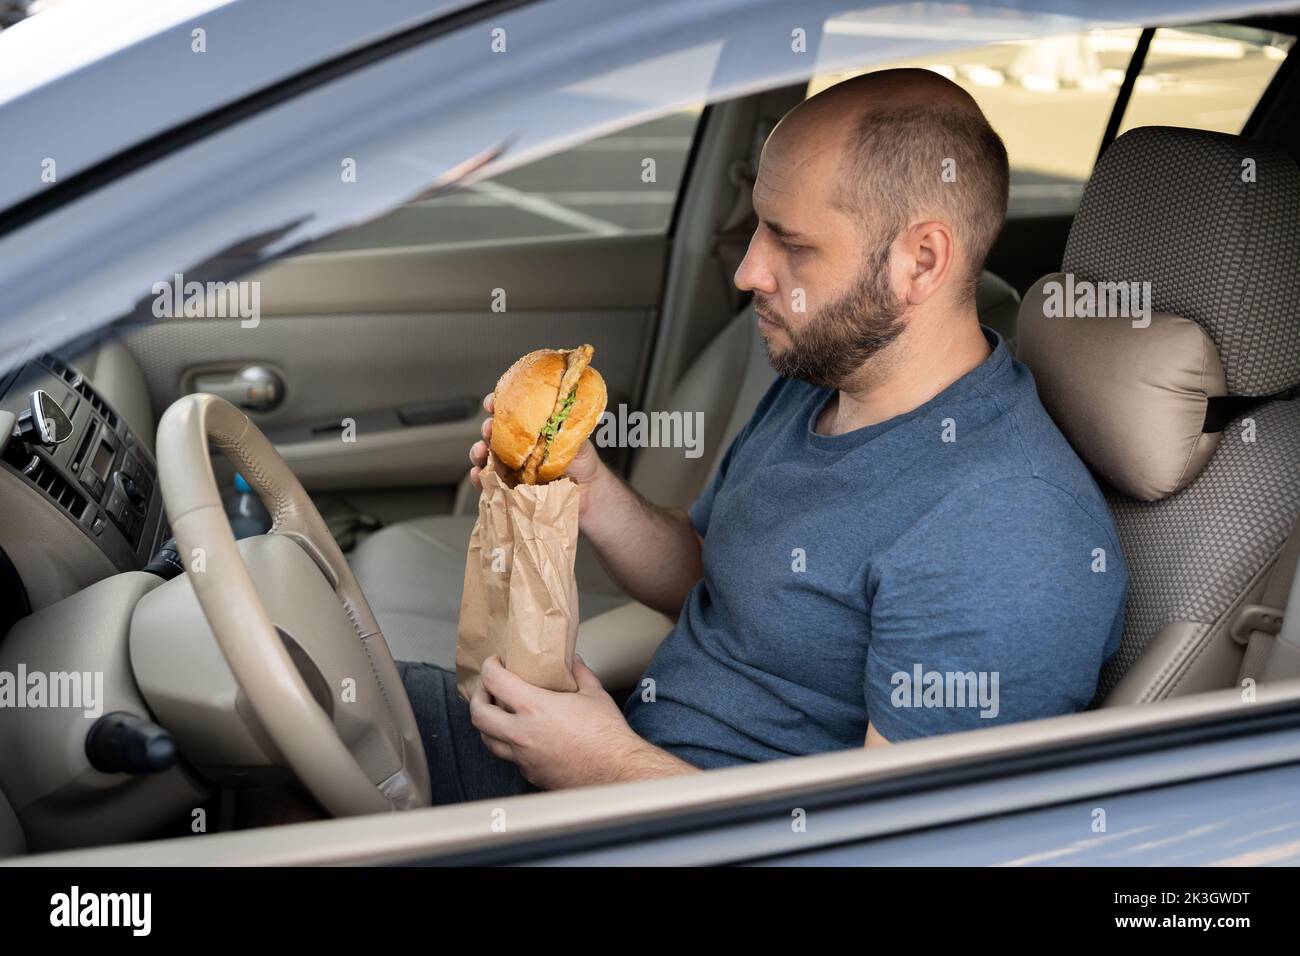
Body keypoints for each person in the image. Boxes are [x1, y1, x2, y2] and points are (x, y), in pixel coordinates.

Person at [395, 68, 1128, 805]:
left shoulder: (1010, 531)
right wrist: (590, 491)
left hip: (666, 822)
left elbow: (884, 844)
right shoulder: (817, 384)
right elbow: (717, 579)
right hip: (625, 774)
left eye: (791, 242)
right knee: (323, 710)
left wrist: (601, 763)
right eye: (757, 226)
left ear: (922, 261)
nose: (748, 271)